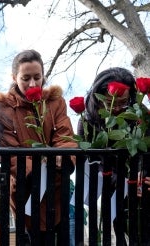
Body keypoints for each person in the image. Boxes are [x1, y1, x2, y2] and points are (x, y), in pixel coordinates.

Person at [0, 49, 77, 245]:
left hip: (58, 189)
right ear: (14, 77)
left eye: (37, 77)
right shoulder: (4, 110)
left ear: (43, 76)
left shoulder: (55, 102)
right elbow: (9, 154)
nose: (33, 84)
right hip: (26, 191)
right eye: (26, 78)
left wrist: (62, 156)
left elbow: (65, 136)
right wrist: (40, 166)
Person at [76, 67, 139, 245]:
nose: (117, 108)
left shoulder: (139, 116)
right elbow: (86, 158)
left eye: (123, 102)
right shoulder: (87, 121)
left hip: (135, 190)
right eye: (111, 102)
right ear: (99, 97)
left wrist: (142, 172)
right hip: (103, 188)